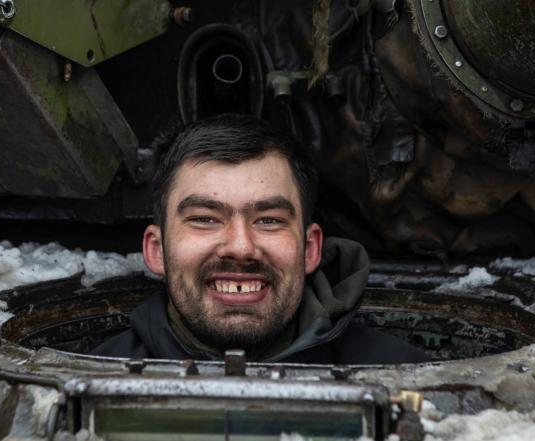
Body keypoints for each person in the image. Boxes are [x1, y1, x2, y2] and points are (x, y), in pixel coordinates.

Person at [91, 114, 429, 364]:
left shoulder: (410, 382)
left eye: (268, 220)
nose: (240, 247)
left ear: (310, 249)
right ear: (156, 250)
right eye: (205, 219)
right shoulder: (83, 383)